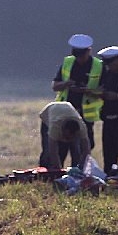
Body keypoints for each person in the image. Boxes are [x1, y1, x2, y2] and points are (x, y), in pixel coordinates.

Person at [40, 34, 104, 167]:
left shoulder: (98, 66)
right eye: (77, 56)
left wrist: (88, 91)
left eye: (82, 56)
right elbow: (55, 86)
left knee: (80, 151)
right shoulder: (68, 62)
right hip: (62, 116)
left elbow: (104, 91)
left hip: (85, 116)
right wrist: (67, 84)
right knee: (59, 149)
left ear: (89, 51)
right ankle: (53, 175)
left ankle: (77, 175)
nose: (79, 59)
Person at [38, 101, 91, 170]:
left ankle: (76, 172)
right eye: (67, 137)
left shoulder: (82, 128)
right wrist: (58, 169)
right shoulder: (55, 126)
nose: (68, 140)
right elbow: (53, 149)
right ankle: (45, 171)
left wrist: (82, 166)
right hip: (49, 111)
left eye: (72, 137)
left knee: (76, 150)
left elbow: (86, 149)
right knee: (47, 151)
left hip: (66, 109)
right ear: (63, 130)